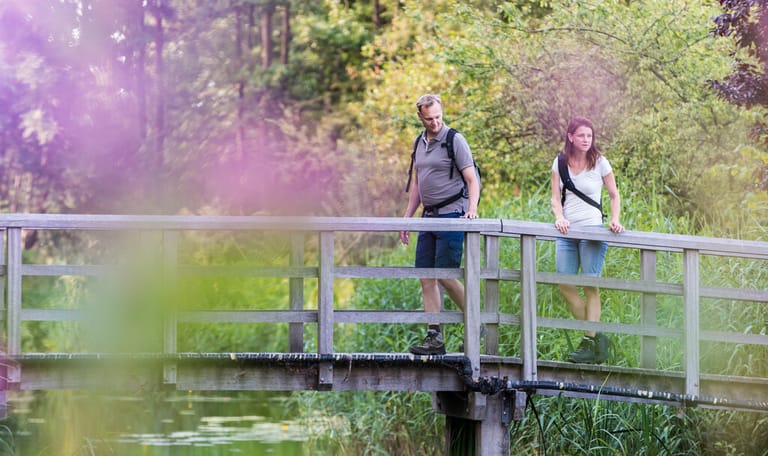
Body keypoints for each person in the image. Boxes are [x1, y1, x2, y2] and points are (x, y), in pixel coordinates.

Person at [399, 94, 480, 355]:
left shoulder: (454, 140)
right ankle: (434, 337)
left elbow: (472, 179)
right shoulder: (419, 143)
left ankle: (476, 322)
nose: (435, 122)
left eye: (438, 117)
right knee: (426, 276)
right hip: (429, 216)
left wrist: (472, 210)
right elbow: (419, 185)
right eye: (430, 118)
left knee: (446, 275)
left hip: (452, 215)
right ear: (420, 117)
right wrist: (407, 217)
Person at [550, 116, 624, 364]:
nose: (585, 140)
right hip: (567, 232)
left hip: (593, 230)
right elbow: (554, 198)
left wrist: (614, 219)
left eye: (589, 136)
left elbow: (614, 195)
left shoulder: (600, 162)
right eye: (581, 135)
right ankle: (597, 335)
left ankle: (589, 340)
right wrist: (559, 217)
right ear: (571, 136)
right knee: (565, 284)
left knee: (590, 286)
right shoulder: (560, 162)